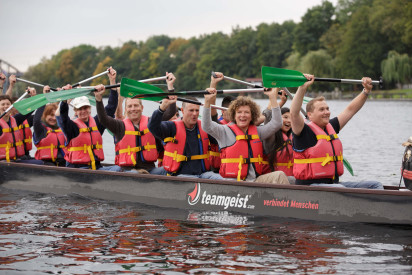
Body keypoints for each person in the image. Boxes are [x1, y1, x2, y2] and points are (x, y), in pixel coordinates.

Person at [290, 74, 383, 189]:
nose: (327, 112)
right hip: (310, 187)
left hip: (332, 185)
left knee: (375, 185)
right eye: (321, 109)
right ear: (310, 114)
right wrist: (302, 88)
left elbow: (350, 110)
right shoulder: (303, 131)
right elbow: (294, 113)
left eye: (327, 109)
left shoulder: (331, 127)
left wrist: (366, 91)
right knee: (340, 189)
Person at [202, 87, 289, 184]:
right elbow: (206, 125)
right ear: (234, 115)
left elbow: (276, 123)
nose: (243, 115)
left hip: (254, 181)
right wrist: (207, 101)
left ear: (252, 116)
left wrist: (273, 98)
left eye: (247, 112)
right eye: (239, 112)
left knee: (280, 175)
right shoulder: (224, 131)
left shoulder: (257, 132)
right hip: (233, 184)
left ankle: (283, 200)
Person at [95, 72, 177, 174]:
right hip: (128, 171)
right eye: (130, 106)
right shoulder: (119, 126)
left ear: (142, 108)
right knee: (135, 174)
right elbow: (103, 119)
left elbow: (171, 112)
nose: (133, 109)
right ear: (126, 109)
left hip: (150, 170)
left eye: (136, 105)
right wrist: (99, 99)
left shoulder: (151, 122)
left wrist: (170, 86)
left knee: (170, 170)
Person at [56, 67, 121, 171]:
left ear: (90, 109)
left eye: (85, 107)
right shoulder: (71, 127)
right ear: (75, 111)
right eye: (80, 109)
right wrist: (64, 98)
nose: (83, 111)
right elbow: (62, 116)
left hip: (96, 168)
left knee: (118, 169)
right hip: (78, 170)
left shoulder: (96, 123)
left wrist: (112, 81)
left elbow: (110, 108)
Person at [148, 95, 223, 179]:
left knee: (222, 179)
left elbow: (221, 136)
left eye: (197, 110)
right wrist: (161, 109)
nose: (194, 114)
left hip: (203, 175)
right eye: (191, 110)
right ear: (183, 111)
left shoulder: (204, 127)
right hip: (180, 176)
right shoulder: (172, 127)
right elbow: (153, 127)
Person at [0, 94, 42, 164]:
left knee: (41, 163)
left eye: (8, 104)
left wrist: (33, 96)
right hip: (3, 162)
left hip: (17, 160)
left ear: (11, 107)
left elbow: (29, 109)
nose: (6, 106)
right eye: (3, 104)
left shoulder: (15, 119)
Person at [33, 86, 67, 166]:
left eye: (55, 115)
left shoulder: (62, 128)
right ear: (45, 116)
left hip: (63, 164)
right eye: (51, 115)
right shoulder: (40, 130)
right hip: (47, 164)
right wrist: (45, 97)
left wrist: (62, 97)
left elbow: (64, 113)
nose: (53, 118)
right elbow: (36, 120)